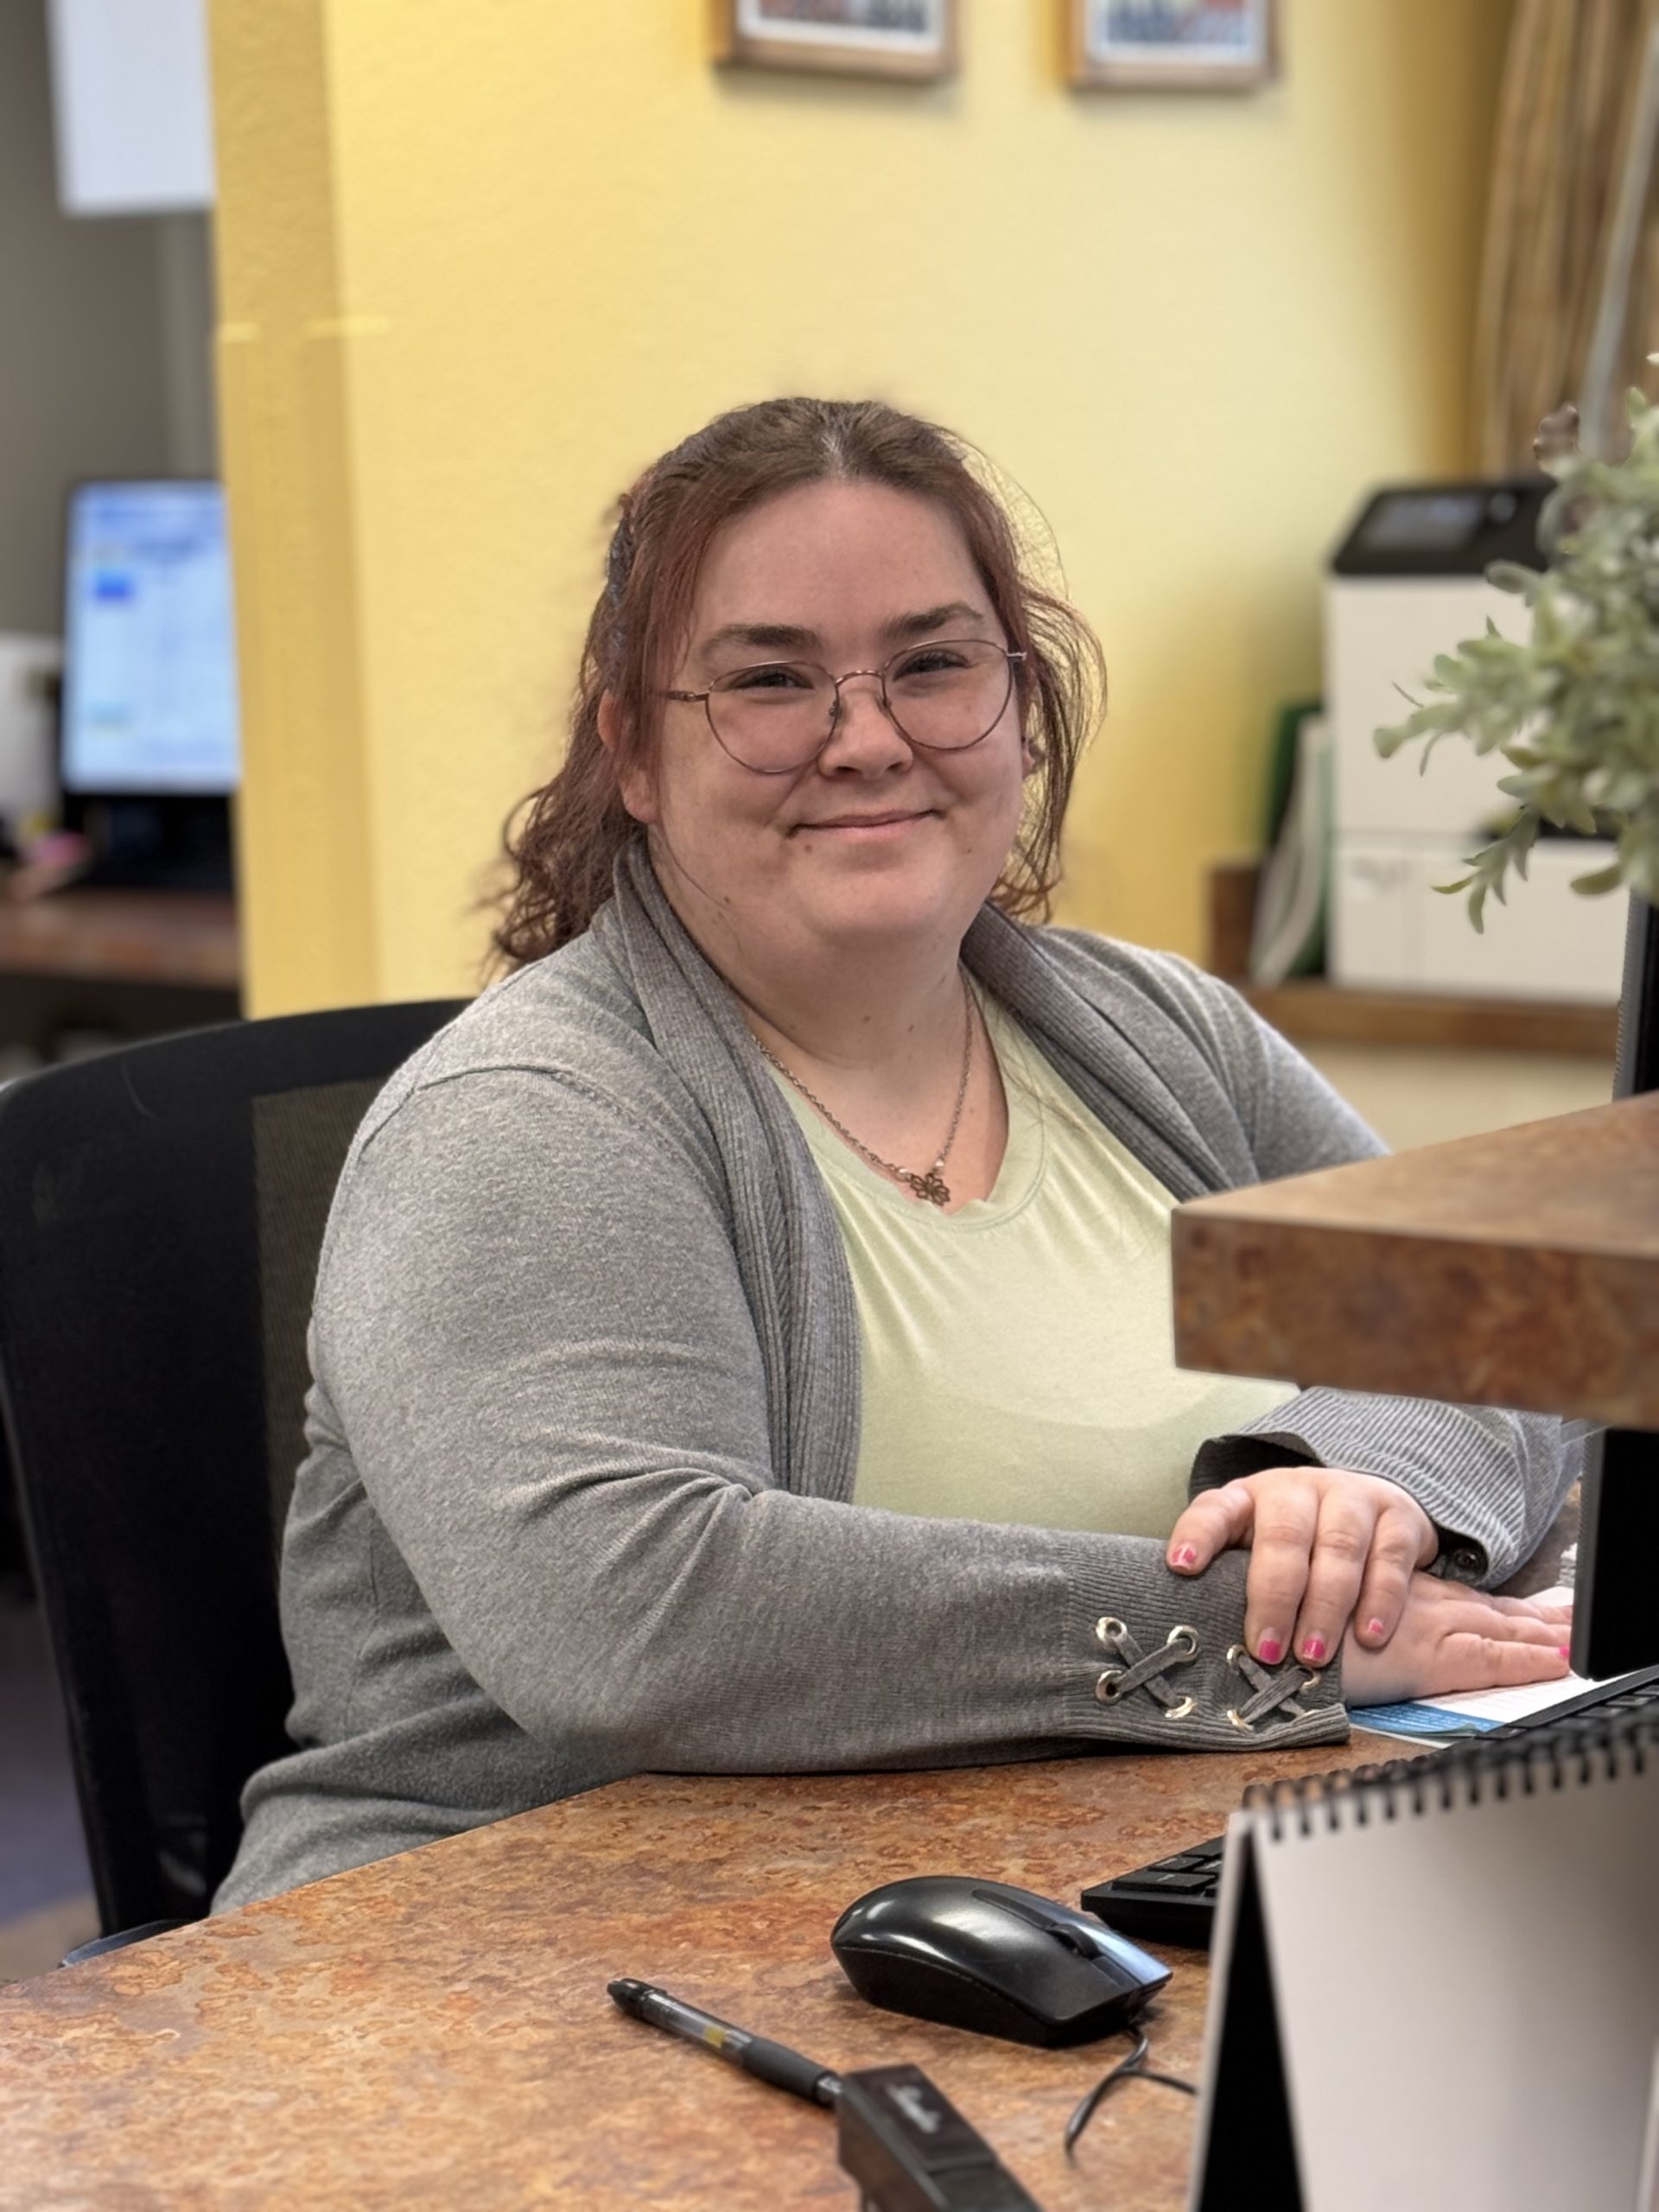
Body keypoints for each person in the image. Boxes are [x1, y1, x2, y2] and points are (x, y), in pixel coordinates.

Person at [216, 397, 1574, 1911]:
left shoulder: (1159, 1032)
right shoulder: (527, 1117)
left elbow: (1506, 1323)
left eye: (933, 665)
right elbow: (640, 1621)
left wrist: (1357, 1491)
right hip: (518, 1957)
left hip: (1071, 1890)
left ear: (1022, 707)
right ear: (635, 753)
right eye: (770, 681)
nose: (866, 741)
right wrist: (1260, 1641)